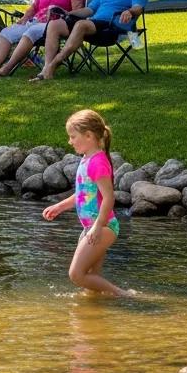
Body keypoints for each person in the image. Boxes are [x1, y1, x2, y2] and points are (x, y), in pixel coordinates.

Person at [42, 109, 130, 297]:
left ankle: (123, 294)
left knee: (76, 274)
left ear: (88, 136)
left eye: (73, 137)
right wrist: (59, 207)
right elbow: (83, 195)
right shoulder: (86, 160)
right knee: (91, 281)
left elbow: (109, 197)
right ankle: (93, 316)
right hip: (91, 227)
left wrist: (98, 227)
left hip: (102, 227)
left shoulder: (97, 162)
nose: (70, 141)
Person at [33, 0, 148, 81]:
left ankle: (51, 66)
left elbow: (138, 7)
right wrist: (68, 13)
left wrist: (130, 11)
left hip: (112, 27)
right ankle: (45, 69)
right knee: (54, 24)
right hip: (94, 25)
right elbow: (90, 10)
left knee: (81, 24)